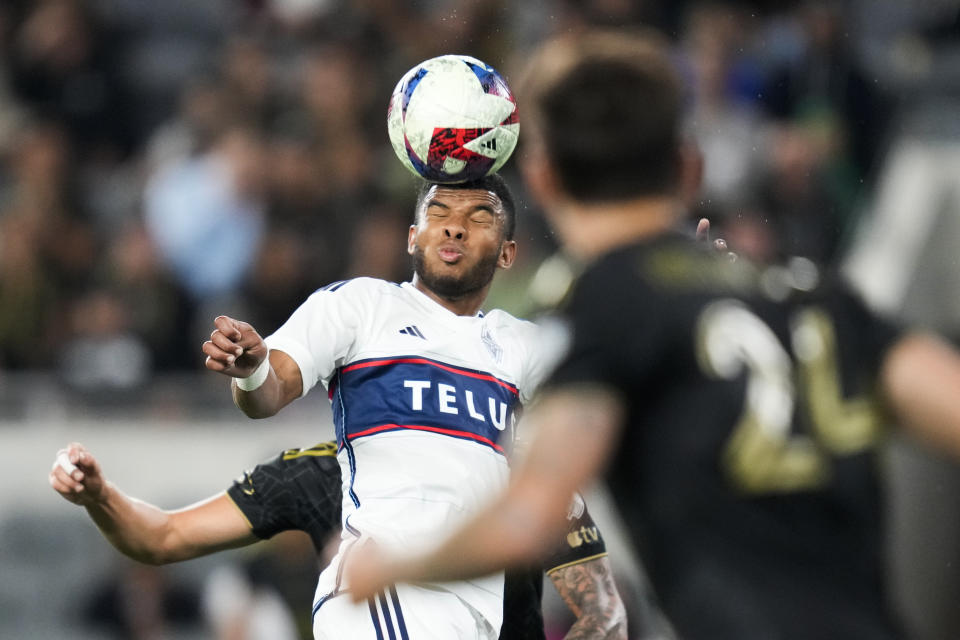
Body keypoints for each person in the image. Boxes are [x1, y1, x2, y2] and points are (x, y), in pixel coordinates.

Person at [343, 28, 960, 640]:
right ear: (687, 166)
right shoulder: (810, 295)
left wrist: (392, 565)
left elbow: (528, 518)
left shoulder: (606, 306)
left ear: (545, 178)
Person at [201, 172, 566, 639]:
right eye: (438, 215)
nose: (454, 228)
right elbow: (269, 392)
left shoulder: (522, 346)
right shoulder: (362, 307)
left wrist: (692, 283)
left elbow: (631, 382)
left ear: (508, 252)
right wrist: (252, 368)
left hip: (475, 610)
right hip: (384, 593)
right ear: (413, 238)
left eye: (479, 219)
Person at [49, 441, 627, 640]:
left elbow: (603, 617)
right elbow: (164, 536)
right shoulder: (314, 475)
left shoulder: (522, 475)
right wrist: (100, 495)